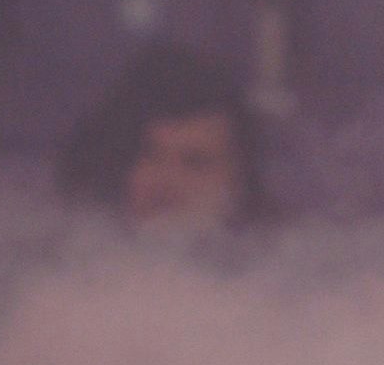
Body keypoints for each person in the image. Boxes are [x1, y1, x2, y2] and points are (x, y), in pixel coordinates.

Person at [54, 42, 272, 240]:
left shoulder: (277, 268)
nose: (165, 182)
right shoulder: (63, 260)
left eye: (195, 163)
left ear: (237, 182)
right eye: (150, 156)